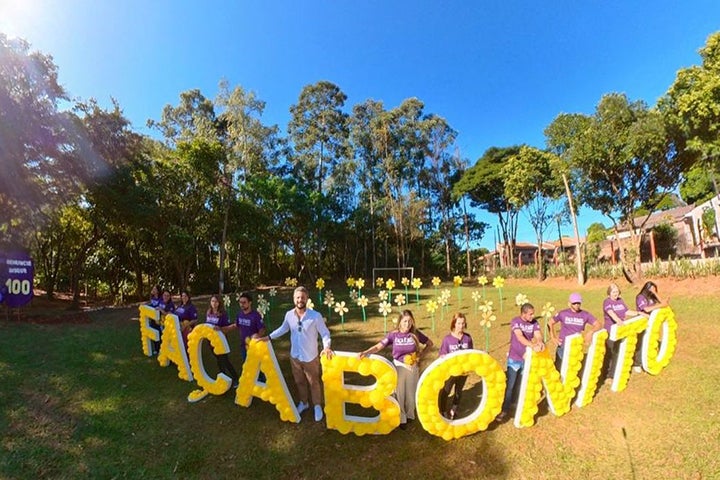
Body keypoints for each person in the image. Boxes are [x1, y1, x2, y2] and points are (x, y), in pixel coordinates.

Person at [260, 286, 333, 422]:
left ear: (307, 299)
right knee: (299, 381)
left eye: (303, 297)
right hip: (295, 357)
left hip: (310, 357)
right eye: (298, 297)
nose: (300, 300)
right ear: (294, 299)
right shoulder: (289, 315)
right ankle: (304, 403)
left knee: (314, 382)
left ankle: (317, 405)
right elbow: (283, 328)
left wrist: (327, 347)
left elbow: (325, 333)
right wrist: (269, 337)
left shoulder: (315, 316)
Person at [359, 309, 433, 429]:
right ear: (400, 322)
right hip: (398, 366)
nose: (407, 324)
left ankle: (410, 414)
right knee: (399, 392)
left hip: (412, 367)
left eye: (410, 321)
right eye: (405, 321)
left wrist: (420, 355)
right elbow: (379, 346)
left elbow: (430, 344)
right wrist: (366, 352)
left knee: (411, 393)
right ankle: (402, 417)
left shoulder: (415, 334)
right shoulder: (393, 335)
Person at [496, 303, 544, 422]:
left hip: (526, 359)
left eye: (533, 314)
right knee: (510, 386)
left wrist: (539, 342)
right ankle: (504, 410)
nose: (533, 316)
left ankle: (515, 405)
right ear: (523, 314)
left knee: (521, 384)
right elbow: (519, 336)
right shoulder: (515, 321)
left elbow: (538, 335)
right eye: (530, 314)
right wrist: (532, 345)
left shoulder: (534, 323)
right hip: (514, 359)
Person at [218, 292, 266, 381]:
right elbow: (235, 325)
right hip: (243, 346)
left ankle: (263, 383)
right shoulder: (239, 314)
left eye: (244, 302)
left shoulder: (256, 315)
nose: (242, 305)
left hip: (254, 347)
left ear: (250, 303)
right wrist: (221, 329)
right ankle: (251, 384)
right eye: (240, 302)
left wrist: (257, 337)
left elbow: (262, 329)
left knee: (258, 367)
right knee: (247, 366)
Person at [548, 293, 601, 372]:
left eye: (578, 303)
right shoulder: (563, 313)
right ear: (569, 303)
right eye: (574, 303)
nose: (577, 305)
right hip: (563, 346)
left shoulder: (585, 314)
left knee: (573, 370)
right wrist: (553, 337)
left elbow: (598, 324)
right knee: (559, 369)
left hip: (576, 346)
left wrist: (591, 332)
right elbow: (550, 323)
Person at [602, 282, 642, 383]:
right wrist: (618, 320)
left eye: (617, 291)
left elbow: (626, 311)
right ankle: (607, 376)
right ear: (609, 293)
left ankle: (614, 373)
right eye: (613, 292)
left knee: (617, 352)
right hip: (610, 331)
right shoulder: (607, 302)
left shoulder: (620, 301)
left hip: (621, 331)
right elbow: (610, 313)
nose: (615, 293)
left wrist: (639, 313)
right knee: (610, 354)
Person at [438, 312, 473, 420]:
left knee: (458, 390)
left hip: (463, 371)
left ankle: (454, 409)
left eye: (463, 323)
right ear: (454, 324)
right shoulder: (447, 339)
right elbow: (442, 354)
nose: (461, 326)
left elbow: (471, 353)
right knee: (446, 390)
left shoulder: (467, 338)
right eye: (458, 323)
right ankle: (443, 410)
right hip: (451, 371)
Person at [632, 281, 667, 372]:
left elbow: (663, 304)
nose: (652, 291)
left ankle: (647, 361)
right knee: (641, 342)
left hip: (651, 323)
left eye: (654, 289)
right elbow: (646, 309)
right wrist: (660, 305)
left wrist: (655, 293)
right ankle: (637, 363)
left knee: (650, 342)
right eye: (651, 289)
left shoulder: (652, 296)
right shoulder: (640, 297)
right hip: (642, 322)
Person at [206, 294, 239, 387]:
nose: (214, 303)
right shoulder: (209, 312)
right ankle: (223, 377)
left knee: (224, 360)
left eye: (216, 301)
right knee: (218, 359)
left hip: (220, 339)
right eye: (212, 301)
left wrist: (220, 328)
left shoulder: (223, 314)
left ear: (219, 303)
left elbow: (227, 327)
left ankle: (236, 378)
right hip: (210, 340)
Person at [147, 285, 162, 354]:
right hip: (152, 318)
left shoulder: (160, 298)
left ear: (158, 291)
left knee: (159, 333)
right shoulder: (152, 298)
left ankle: (160, 348)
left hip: (158, 318)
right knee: (153, 332)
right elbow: (151, 305)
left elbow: (159, 307)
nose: (153, 290)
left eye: (155, 289)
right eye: (153, 289)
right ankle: (156, 348)